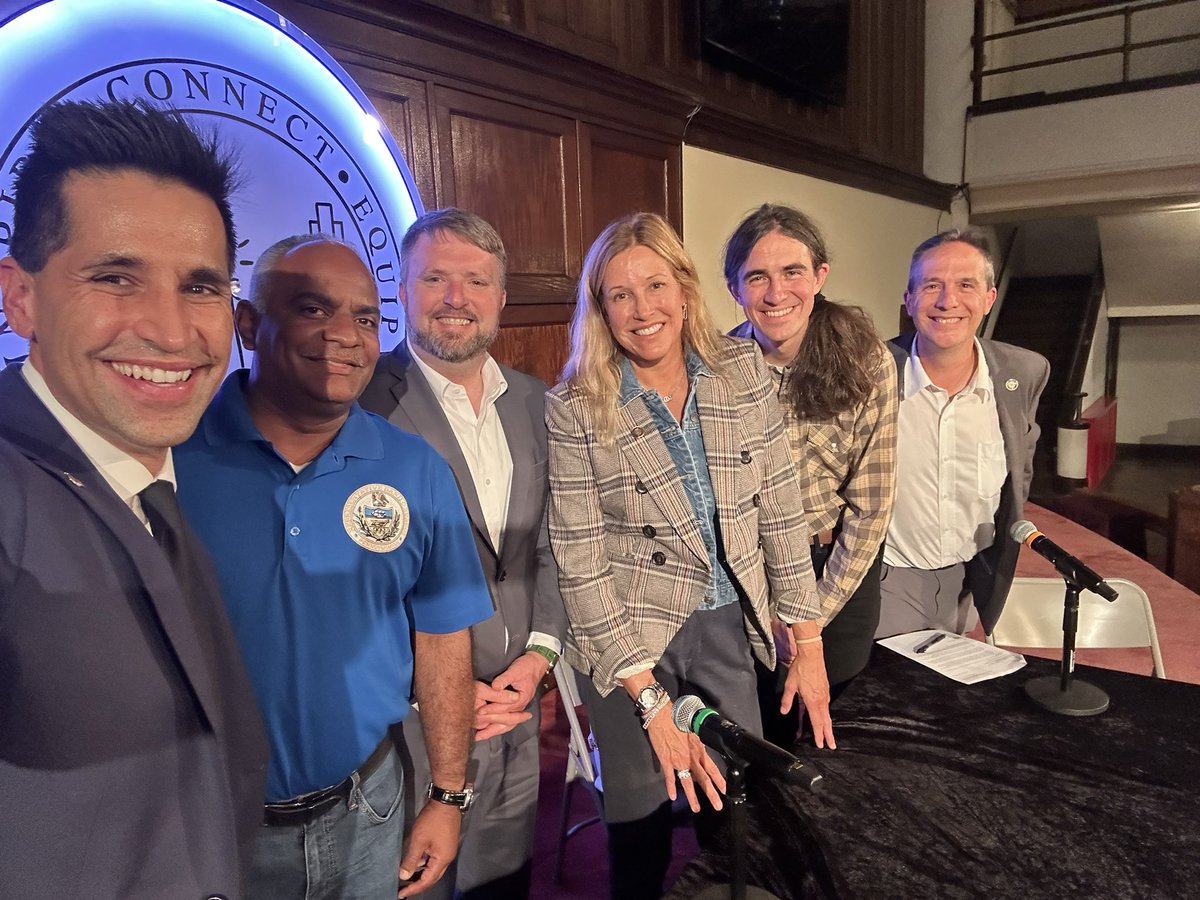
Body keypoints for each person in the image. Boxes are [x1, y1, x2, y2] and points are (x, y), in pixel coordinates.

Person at [0, 99, 268, 898]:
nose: (170, 330)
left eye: (200, 286)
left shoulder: (156, 483)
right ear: (19, 298)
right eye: (116, 277)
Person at [174, 234, 494, 899]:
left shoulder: (414, 469)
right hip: (210, 831)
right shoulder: (169, 461)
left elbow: (442, 639)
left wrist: (449, 795)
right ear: (251, 325)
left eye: (367, 317)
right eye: (314, 309)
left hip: (369, 810)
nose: (345, 335)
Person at [545, 212, 833, 900]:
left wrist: (808, 638)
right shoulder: (576, 407)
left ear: (684, 287)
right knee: (641, 817)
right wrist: (648, 701)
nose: (642, 309)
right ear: (600, 308)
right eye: (620, 295)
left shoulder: (742, 370)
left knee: (732, 800)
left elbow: (781, 509)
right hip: (628, 639)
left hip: (729, 621)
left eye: (655, 285)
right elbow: (579, 561)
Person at [360, 208, 566, 899]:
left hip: (516, 710)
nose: (457, 299)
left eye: (476, 281)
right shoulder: (361, 404)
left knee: (503, 885)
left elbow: (553, 546)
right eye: (436, 279)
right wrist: (436, 694)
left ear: (501, 299)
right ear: (402, 289)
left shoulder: (537, 402)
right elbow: (351, 579)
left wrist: (538, 660)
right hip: (405, 724)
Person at [724, 204, 898, 741]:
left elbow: (871, 508)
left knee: (830, 726)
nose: (776, 294)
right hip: (747, 569)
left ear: (820, 275)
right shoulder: (719, 366)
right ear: (735, 288)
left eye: (792, 272)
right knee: (759, 722)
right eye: (757, 277)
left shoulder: (867, 361)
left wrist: (810, 623)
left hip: (835, 567)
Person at [876, 228, 1050, 638]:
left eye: (965, 285)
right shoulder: (869, 371)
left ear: (989, 298)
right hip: (887, 578)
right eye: (931, 285)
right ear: (909, 298)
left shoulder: (1024, 372)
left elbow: (1018, 469)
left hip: (974, 578)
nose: (947, 301)